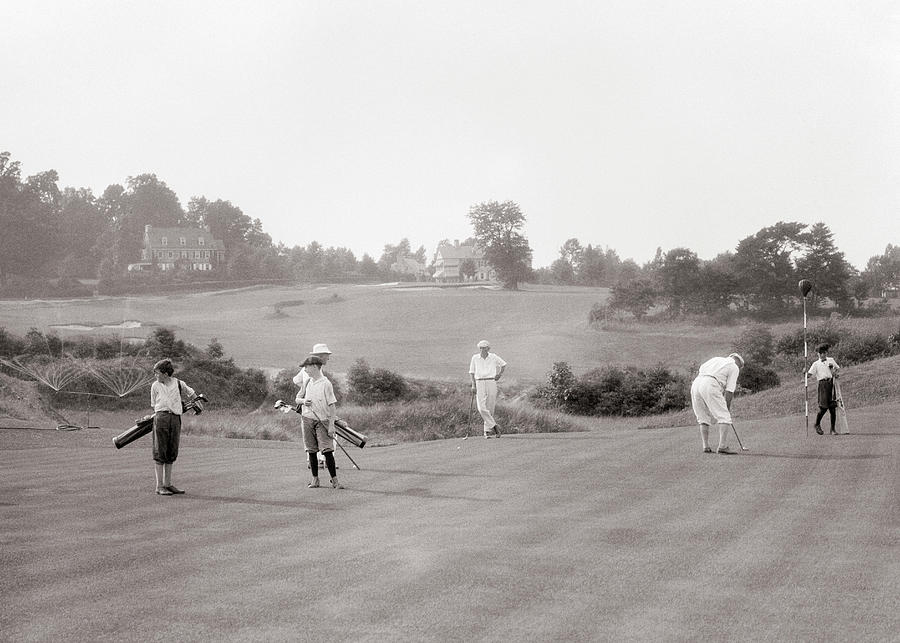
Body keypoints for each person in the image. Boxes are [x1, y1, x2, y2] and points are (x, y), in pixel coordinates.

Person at [149, 358, 196, 495]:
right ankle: (159, 486)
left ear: (165, 373)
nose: (155, 375)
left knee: (171, 451)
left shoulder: (179, 384)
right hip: (161, 418)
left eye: (157, 373)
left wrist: (198, 405)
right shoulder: (155, 386)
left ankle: (168, 484)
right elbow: (154, 405)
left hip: (175, 418)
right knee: (160, 451)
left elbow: (191, 392)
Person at [298, 355, 343, 489]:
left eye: (306, 367)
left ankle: (335, 481)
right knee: (311, 450)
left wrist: (331, 426)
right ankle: (315, 480)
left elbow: (332, 405)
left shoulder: (326, 383)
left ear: (314, 366)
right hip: (307, 419)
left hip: (322, 420)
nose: (305, 369)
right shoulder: (307, 382)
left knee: (327, 450)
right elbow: (297, 399)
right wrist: (303, 401)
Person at [690, 353, 744, 455]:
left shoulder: (715, 359)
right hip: (710, 383)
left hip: (696, 384)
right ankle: (722, 447)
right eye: (740, 367)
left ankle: (705, 446)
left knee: (702, 416)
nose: (739, 370)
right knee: (724, 416)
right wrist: (726, 408)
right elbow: (729, 391)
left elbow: (701, 369)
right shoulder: (734, 366)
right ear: (738, 363)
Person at [293, 343, 333, 470]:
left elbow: (295, 380)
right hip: (312, 411)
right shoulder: (312, 369)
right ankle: (320, 461)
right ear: (320, 357)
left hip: (313, 409)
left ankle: (315, 461)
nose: (328, 358)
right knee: (320, 438)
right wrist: (307, 393)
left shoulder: (310, 369)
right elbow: (300, 384)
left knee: (311, 439)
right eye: (326, 355)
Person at [469, 340, 507, 438]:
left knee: (490, 407)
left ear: (488, 348)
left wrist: (499, 374)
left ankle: (487, 431)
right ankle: (494, 426)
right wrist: (473, 385)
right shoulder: (475, 358)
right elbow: (472, 372)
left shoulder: (493, 357)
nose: (482, 350)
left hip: (491, 381)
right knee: (481, 408)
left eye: (484, 348)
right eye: (480, 348)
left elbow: (503, 365)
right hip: (479, 382)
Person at [808, 343, 840, 435]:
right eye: (820, 353)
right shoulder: (816, 364)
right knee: (823, 408)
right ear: (818, 354)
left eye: (824, 353)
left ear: (826, 353)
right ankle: (817, 424)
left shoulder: (831, 360)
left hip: (831, 384)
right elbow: (810, 374)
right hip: (823, 385)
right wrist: (805, 374)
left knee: (833, 408)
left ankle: (833, 429)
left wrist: (836, 373)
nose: (822, 355)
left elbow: (837, 368)